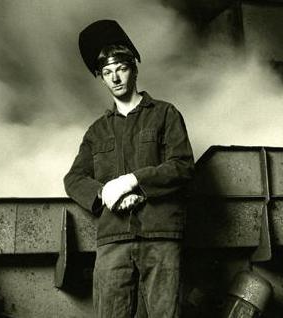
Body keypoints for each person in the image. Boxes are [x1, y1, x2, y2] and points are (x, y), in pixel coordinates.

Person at [64, 20, 194, 317]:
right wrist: (106, 193)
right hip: (114, 238)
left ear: (134, 68)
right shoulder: (97, 131)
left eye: (121, 69)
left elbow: (183, 166)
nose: (115, 78)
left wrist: (133, 180)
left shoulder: (165, 115)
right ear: (101, 78)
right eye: (107, 73)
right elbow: (73, 178)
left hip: (160, 235)